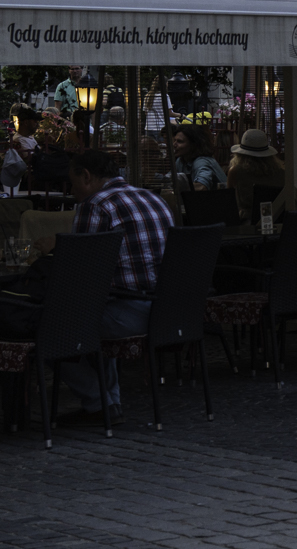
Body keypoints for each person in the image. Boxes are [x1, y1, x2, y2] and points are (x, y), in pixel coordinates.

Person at [57, 147, 174, 420]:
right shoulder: (154, 198)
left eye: (73, 184)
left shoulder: (94, 205)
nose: (72, 192)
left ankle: (99, 402)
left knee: (52, 328)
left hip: (131, 313)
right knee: (94, 309)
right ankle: (109, 401)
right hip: (169, 311)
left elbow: (81, 275)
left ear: (87, 176)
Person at [227, 128, 286, 222]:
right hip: (277, 219)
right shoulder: (281, 173)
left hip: (247, 222)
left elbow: (230, 201)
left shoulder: (236, 172)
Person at [170, 126, 228, 191]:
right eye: (174, 140)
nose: (174, 144)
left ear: (193, 144)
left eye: (180, 141)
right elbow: (169, 179)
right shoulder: (181, 161)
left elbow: (202, 186)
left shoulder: (202, 161)